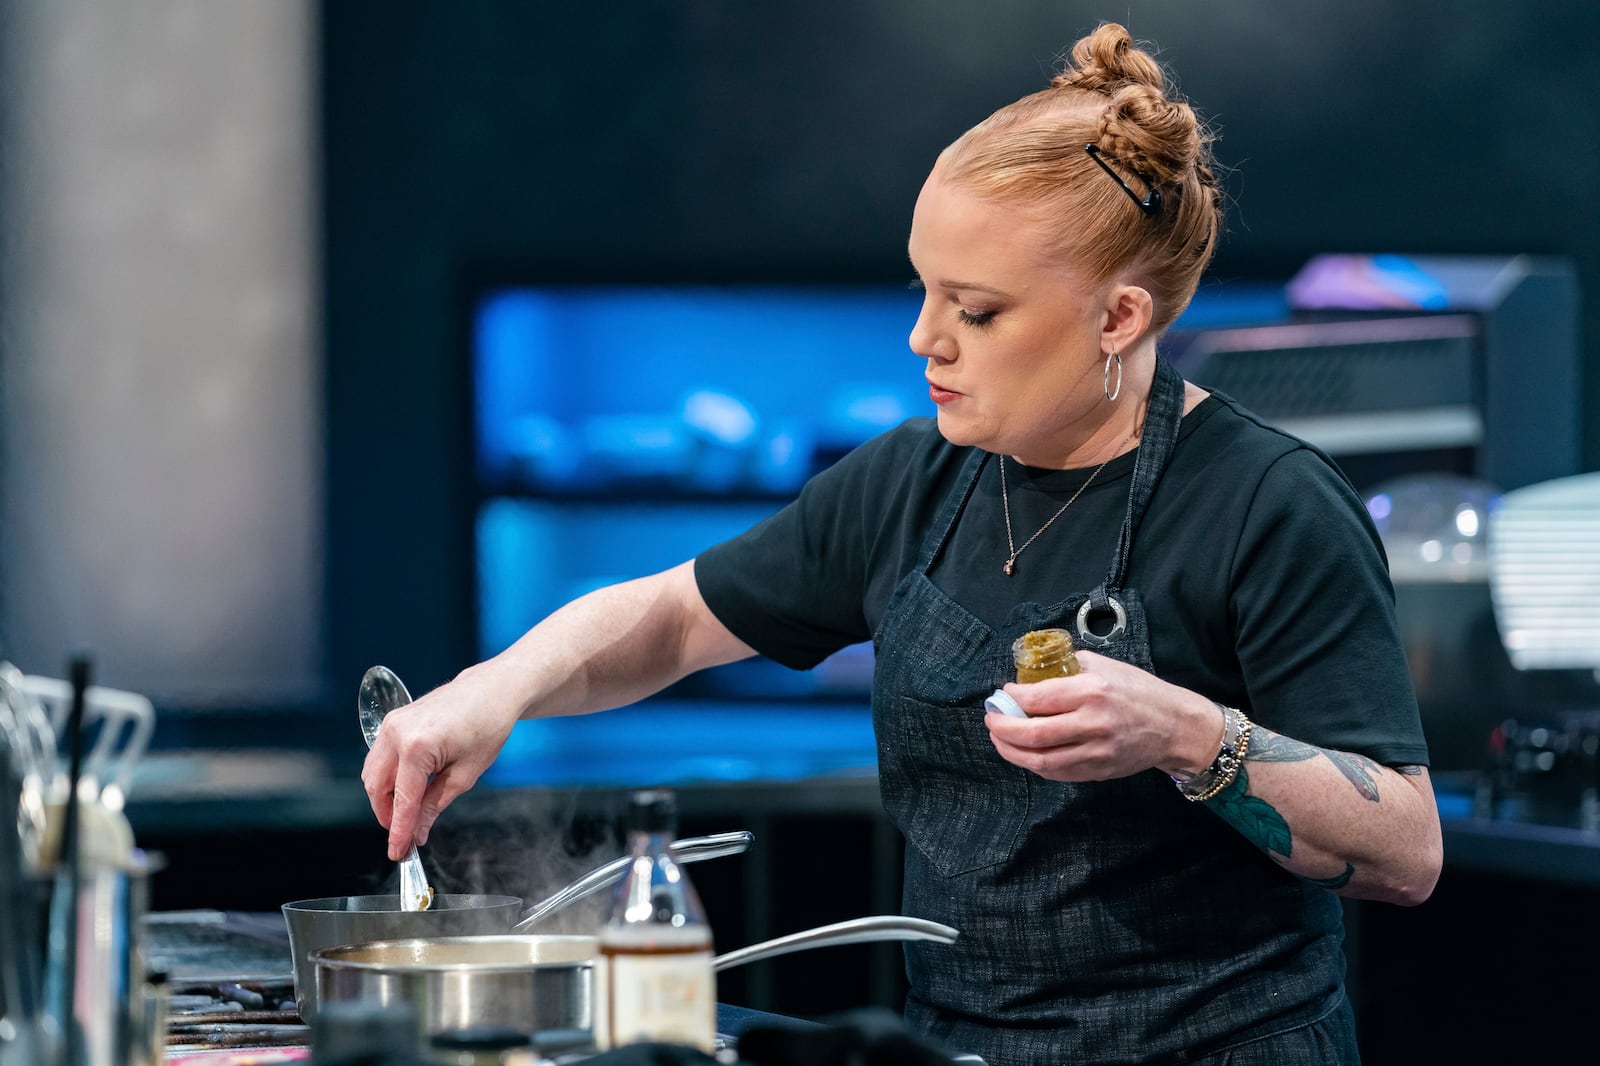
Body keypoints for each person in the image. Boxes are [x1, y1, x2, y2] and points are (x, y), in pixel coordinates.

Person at [362, 22, 1442, 1065]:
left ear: (1116, 318)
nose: (925, 338)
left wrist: (1189, 733)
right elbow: (676, 614)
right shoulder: (914, 478)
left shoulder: (1269, 502)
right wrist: (491, 688)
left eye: (974, 310)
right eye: (926, 289)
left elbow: (1404, 850)